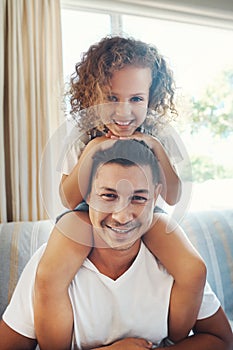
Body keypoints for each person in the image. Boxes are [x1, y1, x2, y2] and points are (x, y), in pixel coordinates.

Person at [35, 36, 206, 349]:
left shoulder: (157, 137)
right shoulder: (83, 138)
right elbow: (69, 199)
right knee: (49, 274)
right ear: (93, 96)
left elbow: (173, 196)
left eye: (136, 99)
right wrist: (94, 149)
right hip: (89, 213)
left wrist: (154, 147)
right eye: (112, 98)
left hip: (145, 213)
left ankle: (172, 338)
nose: (124, 111)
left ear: (151, 99)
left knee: (194, 269)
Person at [0, 139, 232, 350]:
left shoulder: (172, 265)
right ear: (87, 195)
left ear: (155, 196)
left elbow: (221, 340)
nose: (121, 216)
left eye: (139, 198)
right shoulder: (49, 266)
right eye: (109, 196)